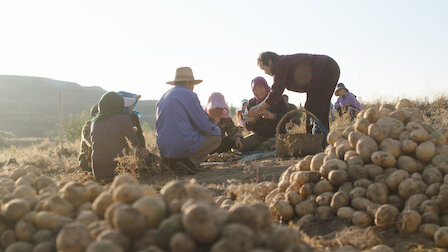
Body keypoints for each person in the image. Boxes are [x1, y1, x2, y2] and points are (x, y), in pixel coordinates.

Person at [247, 52, 340, 135]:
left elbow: (276, 92)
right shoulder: (282, 64)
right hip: (319, 78)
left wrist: (258, 108)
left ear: (270, 62)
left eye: (264, 68)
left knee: (316, 109)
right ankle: (318, 140)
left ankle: (319, 140)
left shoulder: (280, 65)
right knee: (312, 108)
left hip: (326, 68)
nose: (265, 72)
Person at [156, 67, 221, 173]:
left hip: (164, 147)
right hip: (182, 144)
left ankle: (171, 161)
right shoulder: (189, 95)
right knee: (215, 137)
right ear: (189, 84)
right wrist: (217, 130)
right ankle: (189, 163)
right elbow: (203, 124)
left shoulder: (163, 96)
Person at [90, 92, 139, 178]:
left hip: (98, 171)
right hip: (118, 170)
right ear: (116, 106)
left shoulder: (94, 123)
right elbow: (135, 143)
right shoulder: (124, 119)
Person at [242, 76, 288, 152]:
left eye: (260, 88)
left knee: (263, 147)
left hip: (277, 135)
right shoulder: (251, 103)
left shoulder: (277, 99)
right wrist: (252, 121)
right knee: (242, 145)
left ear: (266, 87)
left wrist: (272, 116)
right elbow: (248, 126)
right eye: (255, 89)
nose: (258, 91)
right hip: (260, 136)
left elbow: (288, 119)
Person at [78, 104, 98, 171]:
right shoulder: (88, 125)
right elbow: (89, 141)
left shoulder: (99, 125)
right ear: (95, 114)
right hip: (87, 161)